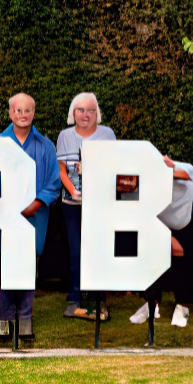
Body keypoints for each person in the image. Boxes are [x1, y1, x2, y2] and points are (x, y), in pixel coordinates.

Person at [0, 93, 61, 342]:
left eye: (27, 110)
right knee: (4, 268)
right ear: (10, 113)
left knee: (29, 268)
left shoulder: (45, 146)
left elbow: (53, 182)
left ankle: (26, 319)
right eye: (18, 111)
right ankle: (5, 319)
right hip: (4, 216)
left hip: (34, 216)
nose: (22, 115)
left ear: (34, 113)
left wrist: (37, 203)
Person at [56, 92, 119, 321]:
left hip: (100, 205)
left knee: (98, 250)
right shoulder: (65, 136)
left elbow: (113, 167)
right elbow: (62, 170)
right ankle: (74, 298)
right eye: (80, 110)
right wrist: (74, 191)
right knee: (75, 250)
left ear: (97, 113)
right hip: (72, 204)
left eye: (90, 110)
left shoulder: (107, 134)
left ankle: (99, 300)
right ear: (73, 113)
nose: (85, 115)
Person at [128, 155, 193, 329]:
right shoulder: (146, 191)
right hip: (161, 226)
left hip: (187, 225)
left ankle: (183, 305)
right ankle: (151, 303)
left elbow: (192, 175)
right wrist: (165, 237)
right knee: (153, 251)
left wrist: (172, 167)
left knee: (182, 254)